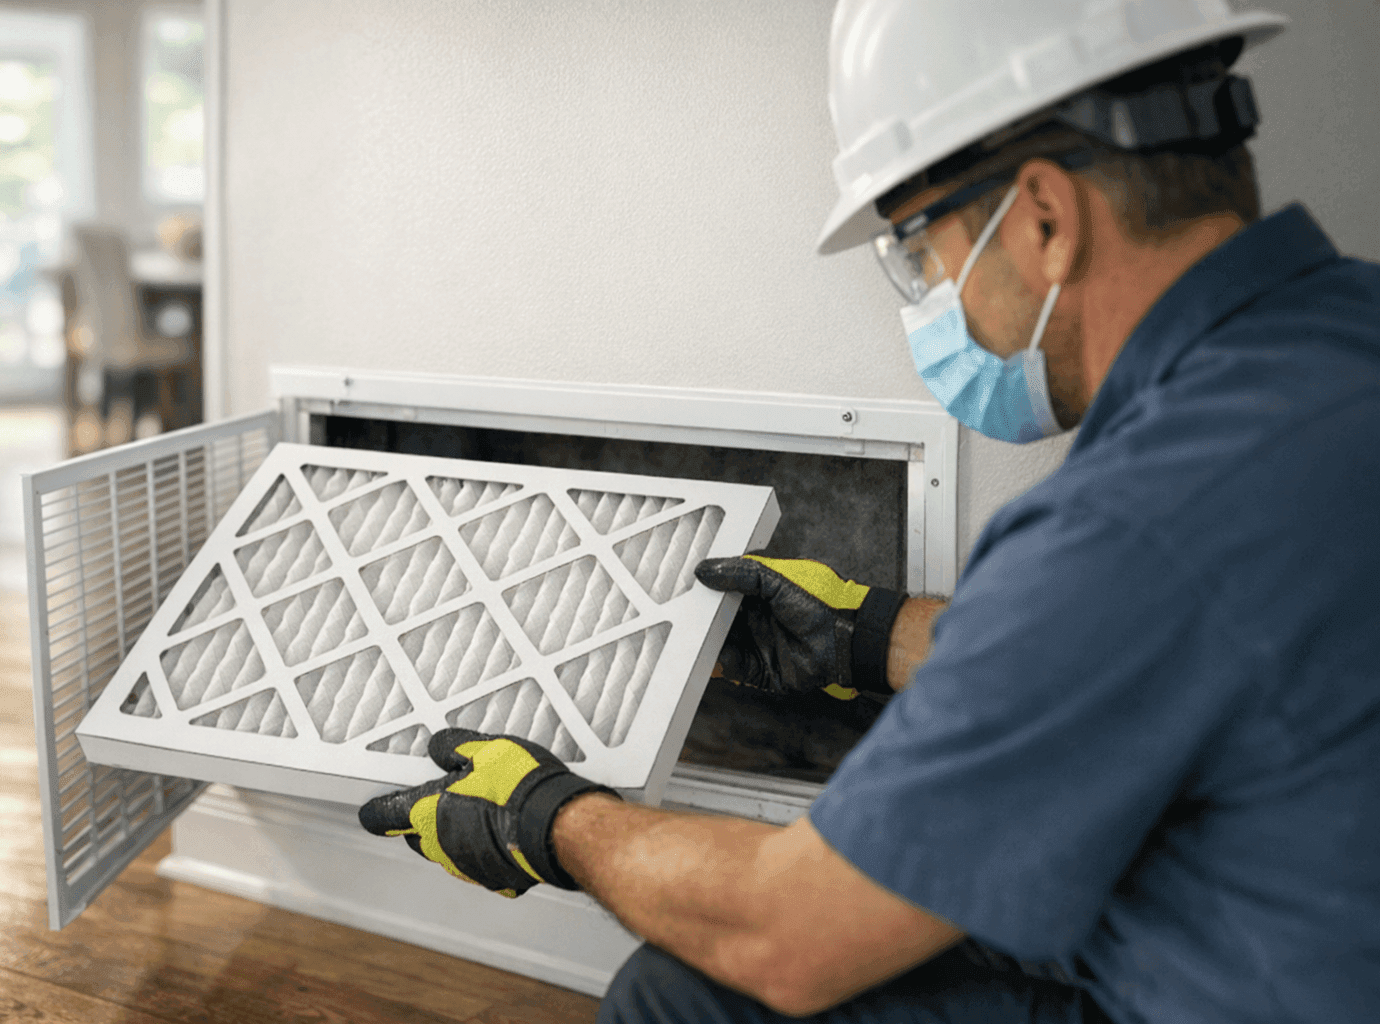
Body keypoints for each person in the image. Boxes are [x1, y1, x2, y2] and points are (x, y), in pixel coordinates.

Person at [358, 1, 1380, 1020]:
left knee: (682, 1002)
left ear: (1045, 220)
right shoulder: (1335, 347)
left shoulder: (1137, 518)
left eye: (919, 248)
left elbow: (788, 931)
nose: (931, 293)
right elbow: (1137, 652)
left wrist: (552, 818)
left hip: (1211, 981)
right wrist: (869, 634)